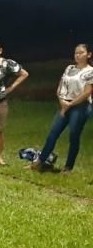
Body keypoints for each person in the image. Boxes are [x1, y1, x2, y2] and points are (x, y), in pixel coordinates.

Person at [30, 43, 93, 173]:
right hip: (65, 104)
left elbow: (87, 92)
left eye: (81, 53)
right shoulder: (69, 68)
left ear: (89, 54)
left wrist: (69, 105)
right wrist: (62, 101)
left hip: (80, 106)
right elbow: (61, 85)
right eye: (76, 53)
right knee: (53, 134)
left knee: (73, 136)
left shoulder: (90, 71)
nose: (77, 55)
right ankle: (40, 162)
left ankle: (68, 167)